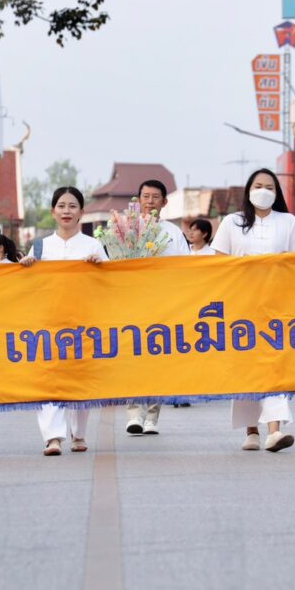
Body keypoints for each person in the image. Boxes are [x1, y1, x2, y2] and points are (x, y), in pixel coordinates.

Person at [210, 168, 295, 453]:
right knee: (247, 366)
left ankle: (274, 431)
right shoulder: (232, 222)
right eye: (258, 185)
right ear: (248, 191)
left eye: (269, 187)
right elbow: (218, 264)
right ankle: (251, 430)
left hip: (278, 304)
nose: (263, 191)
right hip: (241, 305)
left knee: (274, 365)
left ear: (277, 193)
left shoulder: (288, 222)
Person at [19, 186, 107, 456]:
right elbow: (27, 286)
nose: (66, 211)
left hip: (84, 320)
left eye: (72, 206)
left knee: (80, 376)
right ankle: (53, 437)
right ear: (53, 211)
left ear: (82, 212)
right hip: (49, 321)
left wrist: (100, 265)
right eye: (61, 206)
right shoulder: (40, 246)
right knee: (49, 378)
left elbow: (109, 284)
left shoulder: (93, 246)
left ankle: (78, 433)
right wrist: (26, 268)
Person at [125, 180, 191, 435]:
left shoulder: (173, 232)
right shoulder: (125, 228)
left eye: (155, 197)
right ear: (138, 199)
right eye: (146, 196)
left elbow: (185, 268)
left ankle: (152, 416)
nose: (150, 201)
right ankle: (134, 414)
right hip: (133, 302)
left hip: (164, 304)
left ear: (164, 202)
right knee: (133, 358)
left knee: (157, 359)